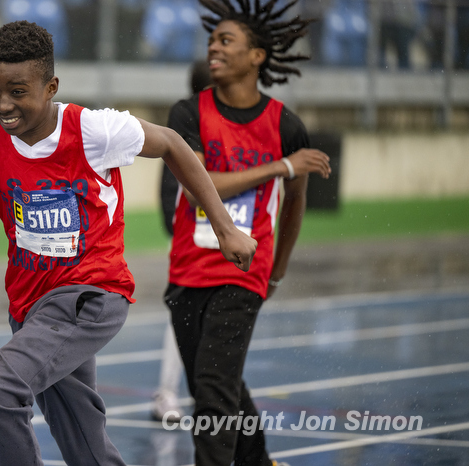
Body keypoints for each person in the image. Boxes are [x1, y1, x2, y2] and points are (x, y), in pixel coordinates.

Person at [0, 20, 257, 466]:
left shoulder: (95, 130)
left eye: (17, 91)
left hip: (91, 293)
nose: (3, 104)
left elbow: (172, 144)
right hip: (30, 306)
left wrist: (224, 228)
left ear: (51, 87)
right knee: (84, 444)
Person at [164, 0, 331, 465]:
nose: (213, 48)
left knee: (213, 390)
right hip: (187, 271)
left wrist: (275, 272)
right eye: (211, 40)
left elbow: (294, 204)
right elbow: (198, 188)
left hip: (243, 273)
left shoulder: (286, 126)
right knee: (217, 382)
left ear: (257, 55)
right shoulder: (187, 114)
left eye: (226, 40)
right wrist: (278, 167)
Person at [152, 58, 212, 423]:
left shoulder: (235, 122)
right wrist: (176, 225)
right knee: (185, 312)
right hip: (192, 235)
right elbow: (172, 182)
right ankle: (167, 392)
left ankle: (208, 393)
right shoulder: (187, 119)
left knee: (212, 317)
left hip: (222, 235)